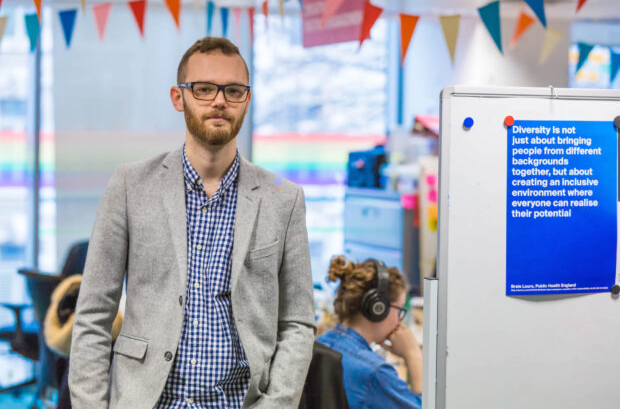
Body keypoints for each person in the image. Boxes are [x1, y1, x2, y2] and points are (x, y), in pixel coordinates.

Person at [69, 37, 316, 409]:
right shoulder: (130, 186)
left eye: (233, 90)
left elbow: (298, 322)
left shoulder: (284, 199)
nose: (219, 100)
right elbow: (93, 314)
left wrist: (276, 404)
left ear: (246, 100)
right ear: (178, 97)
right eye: (204, 89)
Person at [317, 256, 423, 409]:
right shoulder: (374, 373)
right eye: (399, 311)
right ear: (378, 308)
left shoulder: (321, 343)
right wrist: (413, 354)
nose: (399, 322)